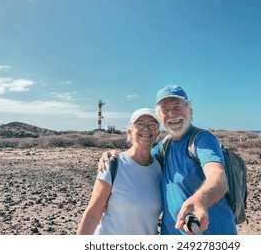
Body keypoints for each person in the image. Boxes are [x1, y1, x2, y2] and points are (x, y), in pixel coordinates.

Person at [100, 85, 237, 235]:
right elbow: (139, 158)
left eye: (177, 108)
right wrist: (114, 156)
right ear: (161, 117)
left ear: (190, 112)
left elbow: (218, 176)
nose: (172, 114)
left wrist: (201, 199)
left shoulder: (202, 139)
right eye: (165, 110)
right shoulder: (166, 145)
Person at [77, 108, 162, 235]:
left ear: (157, 133)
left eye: (152, 125)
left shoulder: (160, 168)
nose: (146, 129)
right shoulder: (113, 164)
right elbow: (93, 214)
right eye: (140, 124)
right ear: (130, 132)